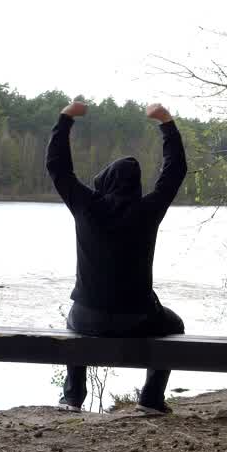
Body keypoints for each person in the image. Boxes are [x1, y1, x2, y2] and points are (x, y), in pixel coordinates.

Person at [46, 100, 187, 414]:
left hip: (88, 317)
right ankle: (151, 399)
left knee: (74, 322)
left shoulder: (87, 207)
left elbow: (58, 167)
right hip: (138, 319)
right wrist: (166, 123)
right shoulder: (148, 210)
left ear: (106, 181)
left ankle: (73, 398)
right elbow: (175, 171)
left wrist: (65, 118)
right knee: (174, 325)